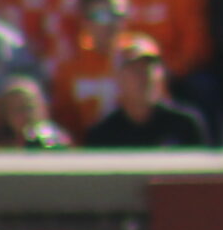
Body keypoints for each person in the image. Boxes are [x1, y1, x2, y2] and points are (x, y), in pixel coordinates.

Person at [81, 34, 209, 149]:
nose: (144, 77)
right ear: (118, 78)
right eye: (135, 70)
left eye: (150, 69)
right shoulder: (103, 134)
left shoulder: (184, 125)